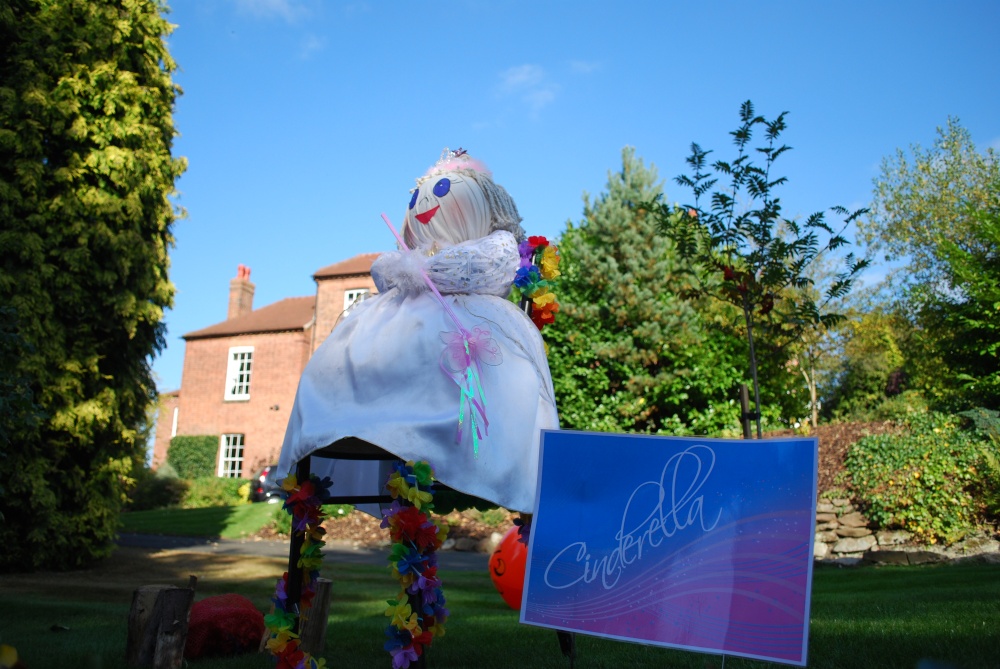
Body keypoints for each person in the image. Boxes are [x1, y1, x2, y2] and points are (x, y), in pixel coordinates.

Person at [278, 149, 559, 513]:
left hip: (465, 322)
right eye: (420, 195)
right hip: (395, 324)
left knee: (479, 373)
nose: (427, 201)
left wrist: (430, 270)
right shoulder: (396, 283)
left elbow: (492, 263)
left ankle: (455, 450)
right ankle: (350, 423)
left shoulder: (490, 258)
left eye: (443, 189)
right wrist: (409, 269)